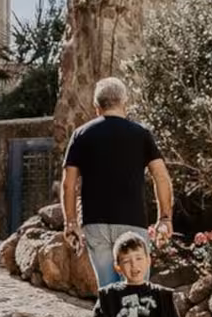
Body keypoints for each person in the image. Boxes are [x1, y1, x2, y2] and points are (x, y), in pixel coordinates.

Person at [62, 77, 175, 290]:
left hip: (95, 223)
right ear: (125, 103)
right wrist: (165, 218)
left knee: (107, 290)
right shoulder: (141, 134)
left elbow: (69, 183)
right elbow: (161, 177)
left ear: (97, 107)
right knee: (137, 288)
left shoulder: (81, 135)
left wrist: (70, 222)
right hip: (131, 221)